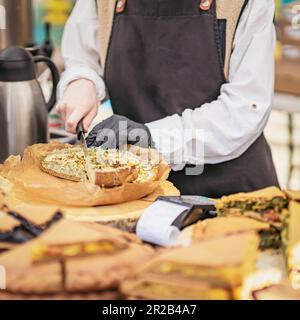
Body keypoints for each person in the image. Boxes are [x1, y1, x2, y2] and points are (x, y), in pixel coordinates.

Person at [56, 0, 279, 198]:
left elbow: (246, 109)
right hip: (140, 189)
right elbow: (83, 56)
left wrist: (150, 137)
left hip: (229, 193)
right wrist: (82, 81)